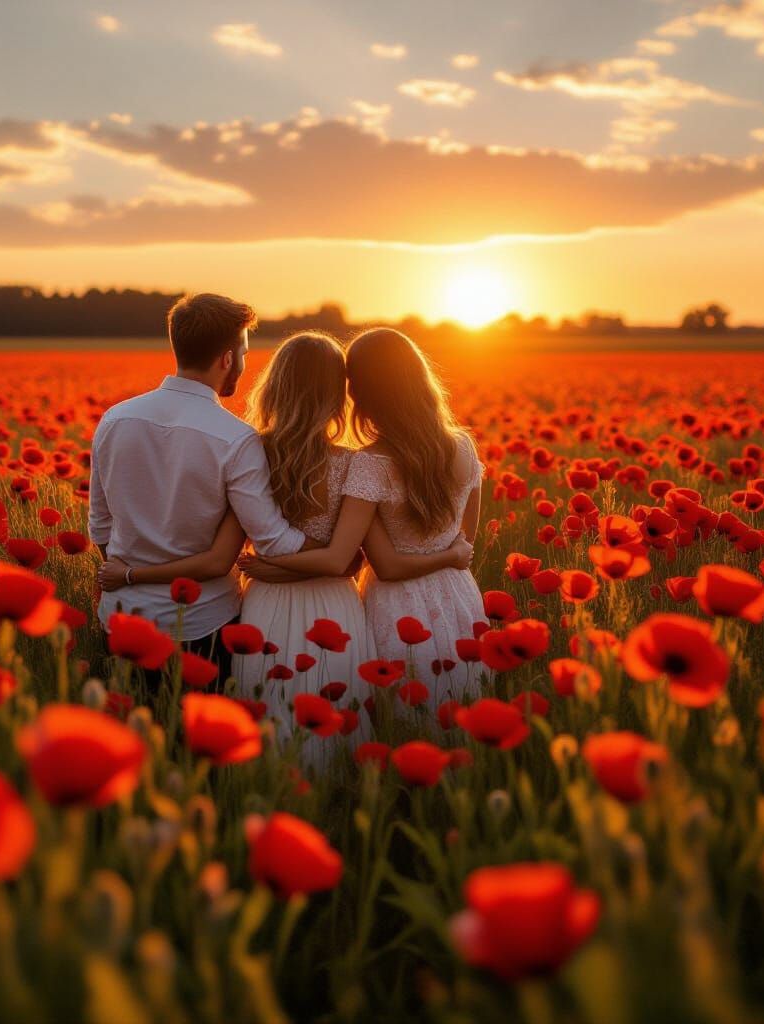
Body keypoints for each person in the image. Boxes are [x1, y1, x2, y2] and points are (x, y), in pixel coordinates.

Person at [99, 331, 472, 744]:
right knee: (336, 719)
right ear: (338, 396)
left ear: (275, 388)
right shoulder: (351, 463)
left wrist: (270, 567)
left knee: (272, 714)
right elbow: (349, 560)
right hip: (336, 606)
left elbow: (230, 554)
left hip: (267, 604)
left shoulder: (252, 453)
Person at [238, 327, 484, 699]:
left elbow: (378, 564)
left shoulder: (369, 463)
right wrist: (450, 555)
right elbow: (468, 535)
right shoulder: (464, 445)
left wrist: (273, 567)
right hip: (458, 594)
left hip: (396, 606)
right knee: (463, 706)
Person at [89, 292, 308, 683]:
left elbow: (100, 527)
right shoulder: (236, 439)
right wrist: (341, 550)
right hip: (200, 626)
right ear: (227, 358)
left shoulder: (115, 420)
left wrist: (130, 575)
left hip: (121, 619)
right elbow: (272, 540)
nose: (242, 363)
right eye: (242, 353)